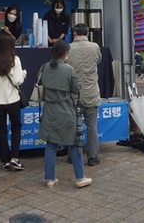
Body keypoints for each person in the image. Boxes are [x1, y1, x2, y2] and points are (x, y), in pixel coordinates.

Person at [38, 40, 92, 188]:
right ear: (66, 53)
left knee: (51, 144)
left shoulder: (44, 67)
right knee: (74, 143)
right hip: (66, 110)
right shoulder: (69, 70)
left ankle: (50, 179)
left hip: (50, 110)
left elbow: (41, 83)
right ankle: (80, 178)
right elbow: (76, 89)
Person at [0, 33, 27, 171]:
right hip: (12, 100)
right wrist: (24, 74)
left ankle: (5, 160)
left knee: (0, 130)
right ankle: (15, 159)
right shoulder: (15, 59)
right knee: (16, 128)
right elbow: (18, 80)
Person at [67, 23, 102, 166]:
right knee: (91, 126)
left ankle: (73, 156)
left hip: (74, 93)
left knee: (73, 126)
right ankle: (92, 157)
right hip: (91, 92)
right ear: (88, 33)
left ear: (74, 33)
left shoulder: (68, 48)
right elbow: (99, 60)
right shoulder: (95, 47)